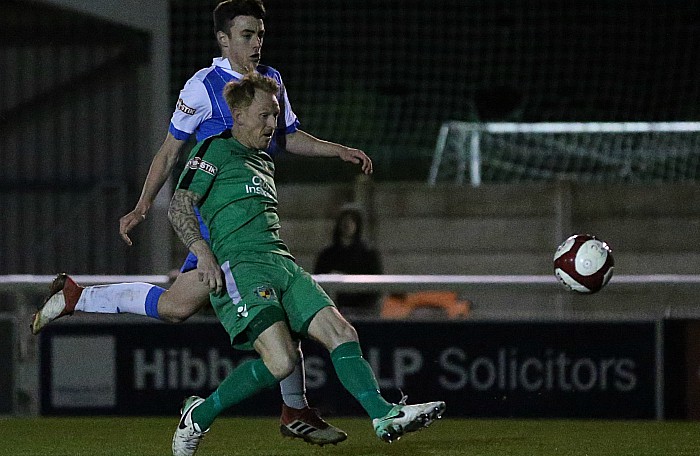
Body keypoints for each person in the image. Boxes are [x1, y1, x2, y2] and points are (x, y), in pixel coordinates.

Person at [29, 0, 372, 446]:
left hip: (249, 214)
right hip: (219, 220)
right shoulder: (201, 87)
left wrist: (337, 150)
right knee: (280, 308)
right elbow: (170, 151)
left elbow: (288, 138)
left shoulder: (271, 84)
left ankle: (77, 296)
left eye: (261, 35)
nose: (256, 43)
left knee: (176, 307)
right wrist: (142, 205)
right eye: (247, 35)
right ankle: (293, 410)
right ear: (224, 39)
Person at [168, 72, 445, 456]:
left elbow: (297, 143)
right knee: (280, 362)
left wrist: (338, 150)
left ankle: (383, 414)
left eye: (276, 115)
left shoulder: (264, 160)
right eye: (265, 115)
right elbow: (181, 203)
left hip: (282, 263)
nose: (272, 124)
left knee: (343, 333)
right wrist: (202, 250)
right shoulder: (214, 150)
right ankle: (198, 416)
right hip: (242, 267)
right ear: (239, 113)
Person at [314, 203, 383, 318]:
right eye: (344, 221)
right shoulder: (326, 255)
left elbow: (375, 288)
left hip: (363, 313)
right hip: (332, 313)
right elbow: (317, 285)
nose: (347, 225)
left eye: (351, 221)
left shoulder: (369, 254)